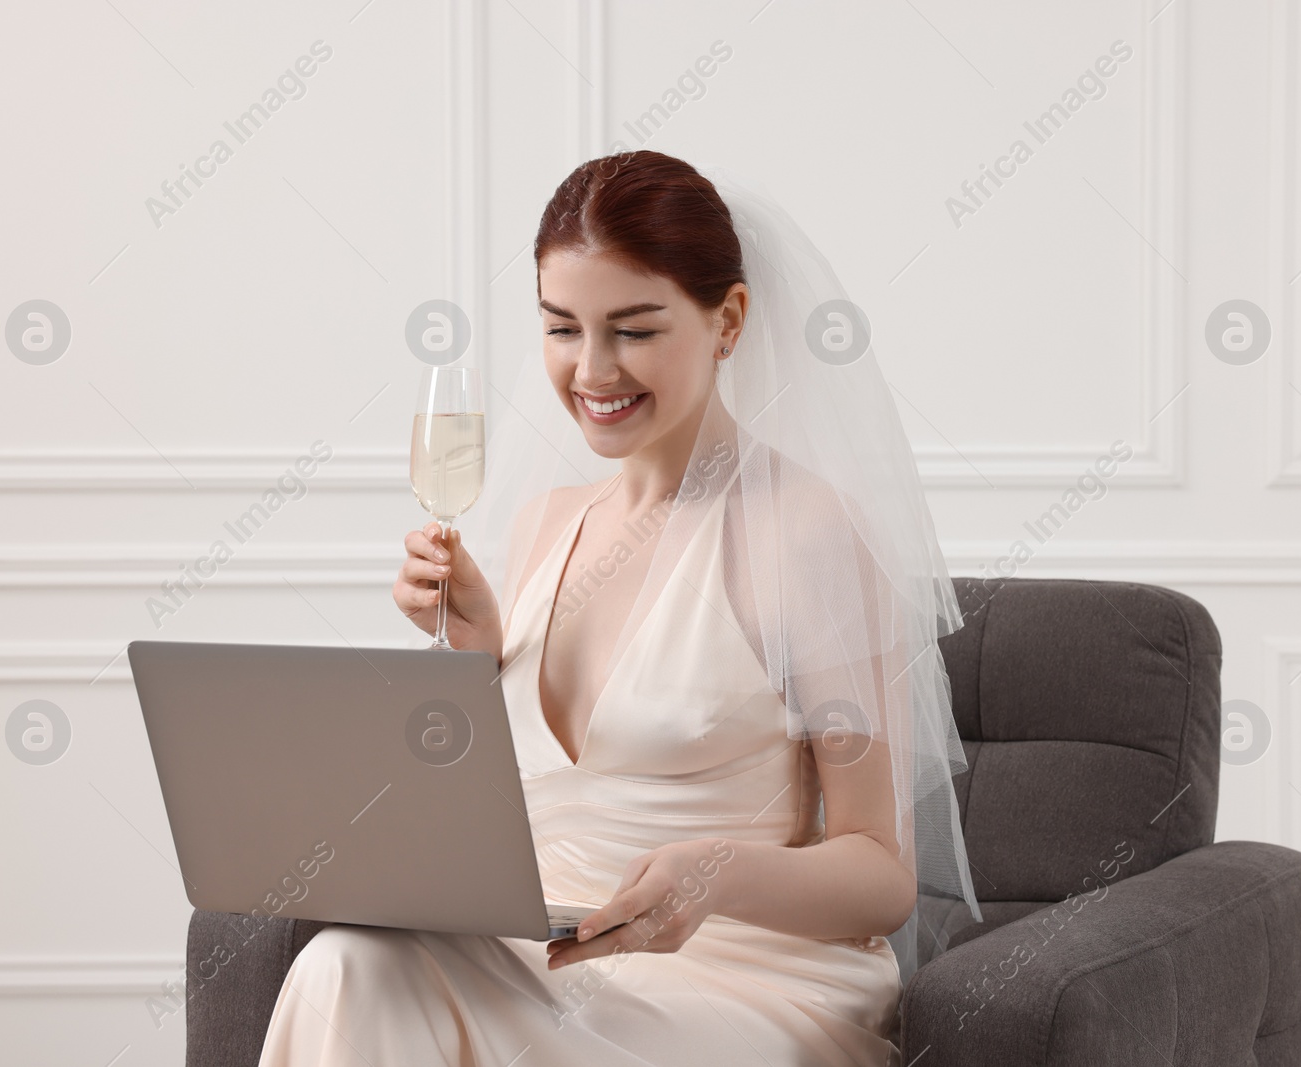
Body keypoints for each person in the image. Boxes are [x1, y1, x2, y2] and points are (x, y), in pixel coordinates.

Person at [257, 150, 979, 1066]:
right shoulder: (542, 525)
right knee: (347, 965)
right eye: (562, 328)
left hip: (737, 981)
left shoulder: (804, 533)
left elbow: (881, 875)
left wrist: (711, 874)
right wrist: (475, 662)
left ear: (730, 322)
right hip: (543, 954)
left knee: (362, 979)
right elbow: (516, 815)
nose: (592, 371)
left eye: (634, 330)